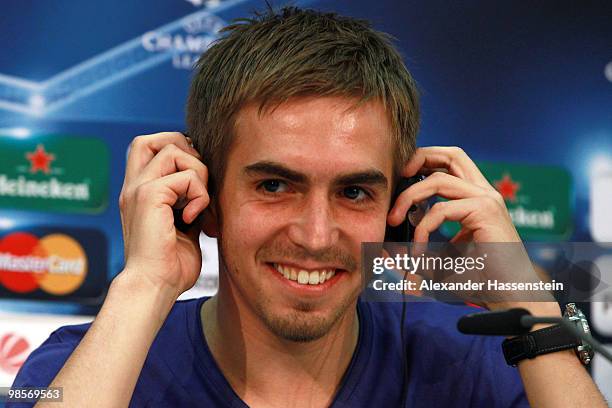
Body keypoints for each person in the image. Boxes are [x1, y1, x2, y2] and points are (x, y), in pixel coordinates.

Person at [10, 6, 607, 408]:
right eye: (274, 186)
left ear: (396, 211)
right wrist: (143, 283)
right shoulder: (85, 367)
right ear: (203, 201)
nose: (317, 235)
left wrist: (528, 300)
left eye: (354, 192)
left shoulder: (469, 364)